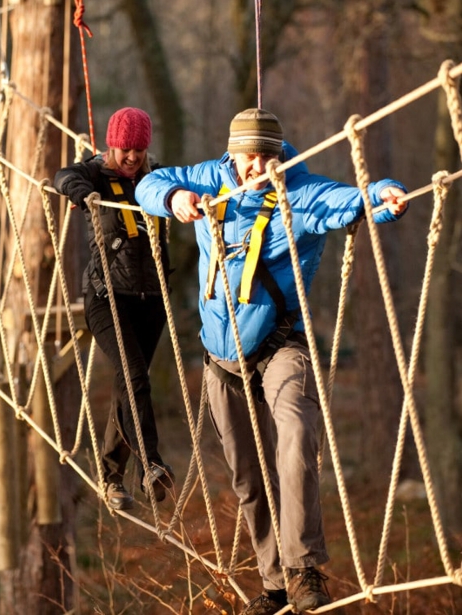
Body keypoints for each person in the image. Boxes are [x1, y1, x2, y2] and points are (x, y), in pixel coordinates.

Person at [135, 108, 407, 614]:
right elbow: (150, 183)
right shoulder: (209, 180)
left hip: (283, 347)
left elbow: (349, 202)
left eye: (268, 154)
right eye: (249, 155)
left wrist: (385, 196)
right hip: (222, 363)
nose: (258, 165)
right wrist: (175, 199)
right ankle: (276, 583)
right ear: (232, 152)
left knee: (296, 436)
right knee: (248, 477)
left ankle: (305, 570)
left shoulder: (298, 195)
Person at [54, 107, 174, 511]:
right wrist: (81, 195)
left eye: (139, 150)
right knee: (136, 376)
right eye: (125, 149)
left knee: (129, 385)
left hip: (152, 300)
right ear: (111, 144)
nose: (132, 158)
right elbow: (62, 177)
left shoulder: (155, 178)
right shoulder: (93, 175)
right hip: (107, 298)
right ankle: (151, 466)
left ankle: (110, 478)